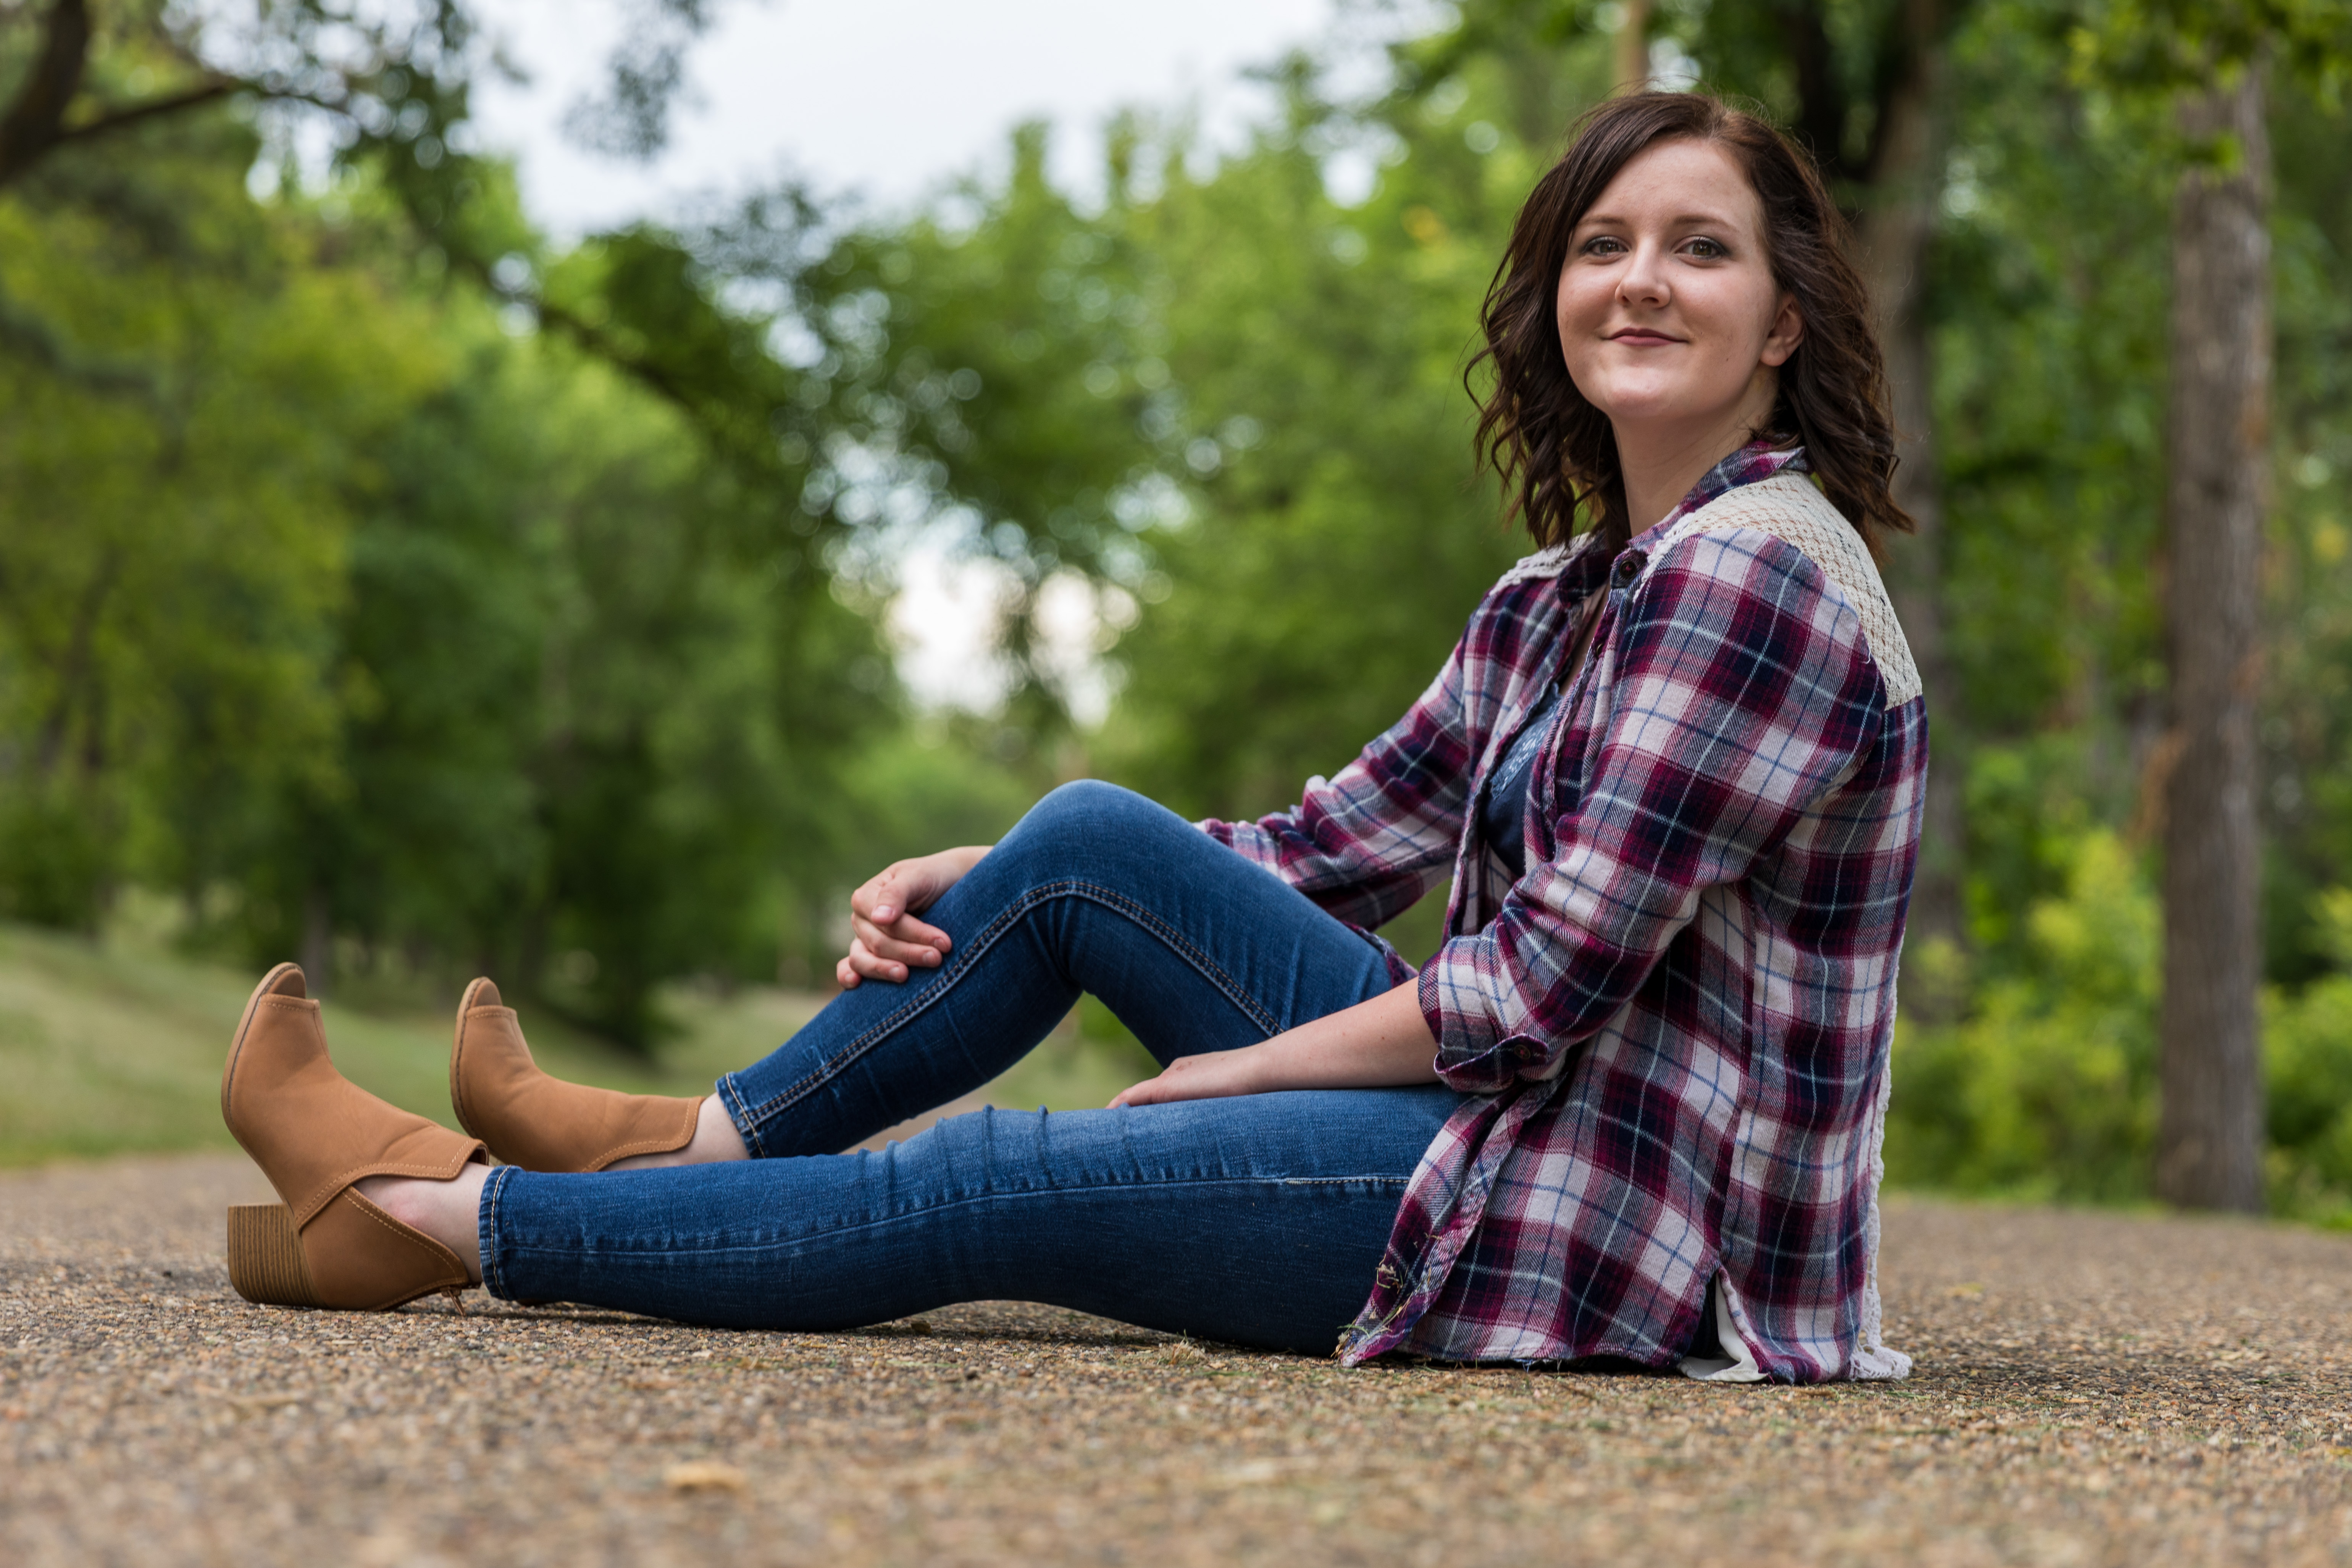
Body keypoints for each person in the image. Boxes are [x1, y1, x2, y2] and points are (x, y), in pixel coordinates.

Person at [217, 89, 1923, 1383]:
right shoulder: (1562, 592)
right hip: (1517, 1119)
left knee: (991, 1180)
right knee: (1091, 839)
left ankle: (431, 1215)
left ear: (1782, 320)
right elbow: (1325, 850)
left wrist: (1235, 1076)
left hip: (1611, 1223)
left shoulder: (1757, 579)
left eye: (1700, 249)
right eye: (1603, 244)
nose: (1639, 282)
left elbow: (1536, 980)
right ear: (1555, 289)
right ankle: (688, 1144)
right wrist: (1004, 875)